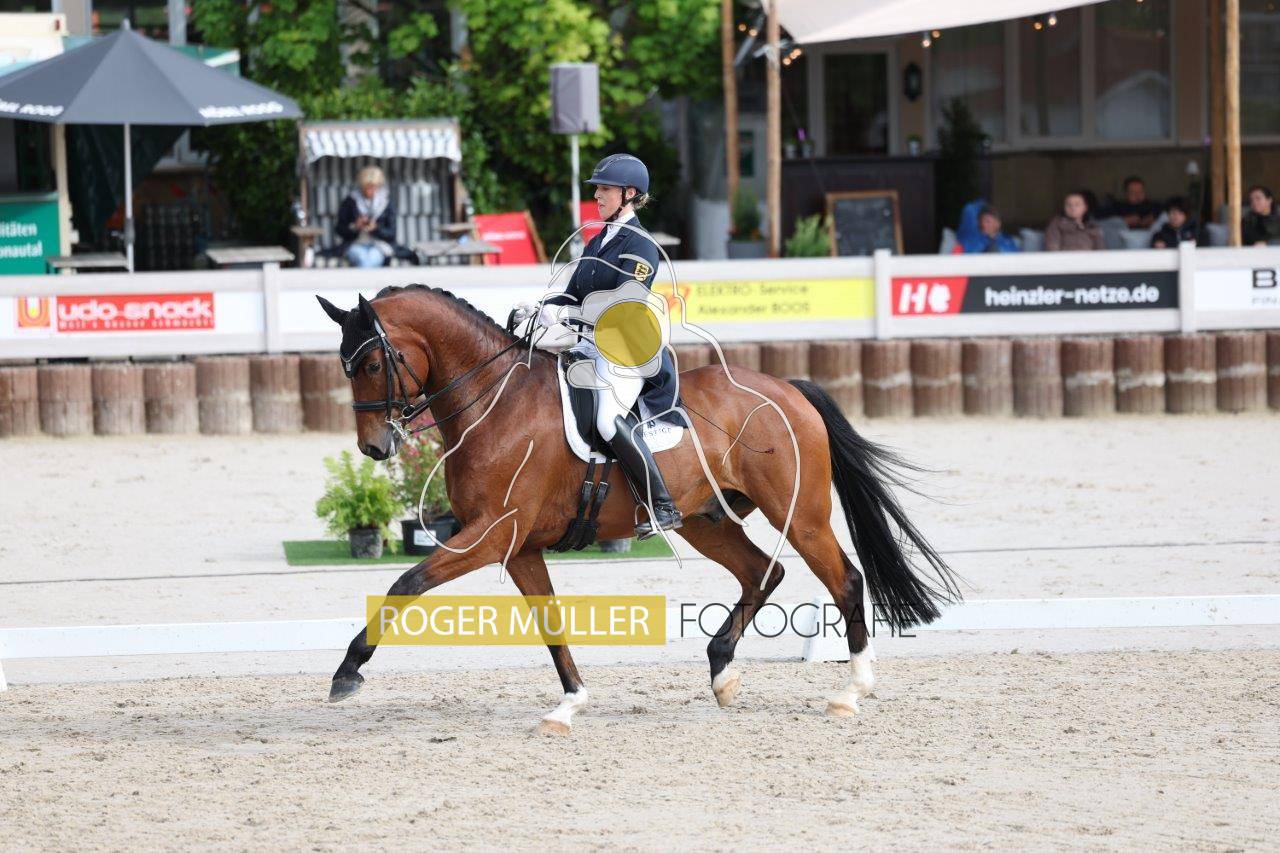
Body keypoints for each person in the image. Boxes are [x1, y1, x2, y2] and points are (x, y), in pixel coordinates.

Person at [530, 153, 682, 538]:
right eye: (597, 189)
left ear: (629, 194)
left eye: (605, 189)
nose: (597, 195)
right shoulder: (598, 241)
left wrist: (570, 315)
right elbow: (573, 293)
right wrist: (543, 307)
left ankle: (662, 505)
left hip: (626, 352)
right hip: (591, 347)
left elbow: (625, 304)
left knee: (605, 417)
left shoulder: (641, 244)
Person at [334, 166, 417, 267]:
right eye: (368, 187)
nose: (371, 190)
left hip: (380, 245)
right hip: (355, 244)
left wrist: (376, 228)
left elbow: (391, 233)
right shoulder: (350, 202)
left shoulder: (386, 203)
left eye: (374, 186)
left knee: (372, 258)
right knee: (361, 257)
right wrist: (355, 226)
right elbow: (339, 229)